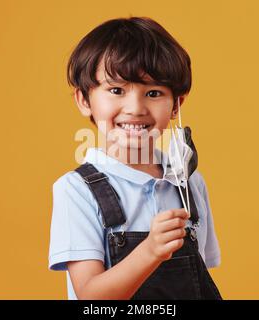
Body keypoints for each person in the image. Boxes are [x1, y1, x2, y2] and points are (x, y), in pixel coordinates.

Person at [48, 16, 222, 300]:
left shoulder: (190, 184)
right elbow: (91, 297)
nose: (135, 107)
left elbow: (199, 279)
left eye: (153, 93)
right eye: (116, 90)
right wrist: (150, 251)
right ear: (83, 100)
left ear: (177, 104)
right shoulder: (75, 190)